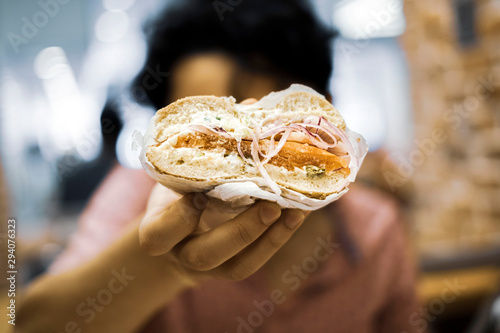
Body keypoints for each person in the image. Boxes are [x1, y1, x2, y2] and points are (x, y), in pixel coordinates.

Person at [17, 0, 421, 332]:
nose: (233, 127)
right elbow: (35, 325)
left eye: (248, 102)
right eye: (204, 126)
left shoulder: (377, 231)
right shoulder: (136, 196)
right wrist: (166, 263)